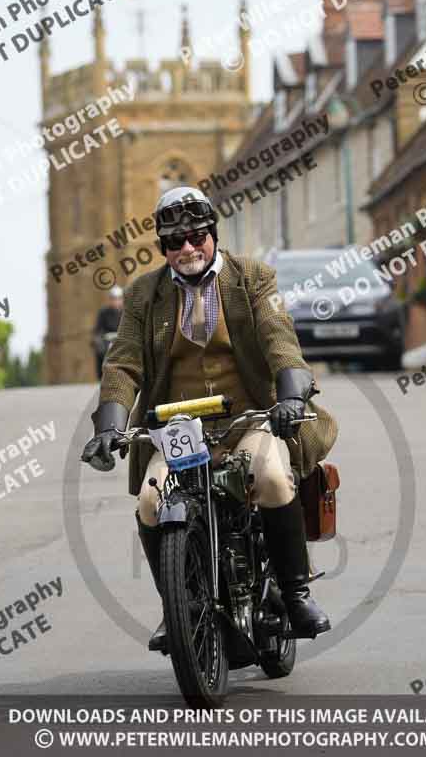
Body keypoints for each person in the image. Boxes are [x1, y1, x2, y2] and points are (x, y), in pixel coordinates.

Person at [82, 187, 338, 653]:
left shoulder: (253, 277)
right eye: (175, 241)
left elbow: (280, 339)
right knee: (148, 502)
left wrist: (291, 396)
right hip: (177, 427)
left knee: (275, 481)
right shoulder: (143, 294)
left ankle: (296, 595)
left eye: (197, 237)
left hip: (248, 419)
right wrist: (109, 426)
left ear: (212, 235)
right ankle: (176, 606)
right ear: (163, 248)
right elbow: (122, 364)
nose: (187, 249)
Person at [92, 286, 123, 380]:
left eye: (118, 299)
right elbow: (98, 329)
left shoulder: (126, 312)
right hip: (107, 339)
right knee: (100, 348)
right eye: (114, 299)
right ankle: (103, 373)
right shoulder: (103, 312)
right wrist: (98, 339)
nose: (116, 301)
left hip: (122, 338)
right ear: (110, 300)